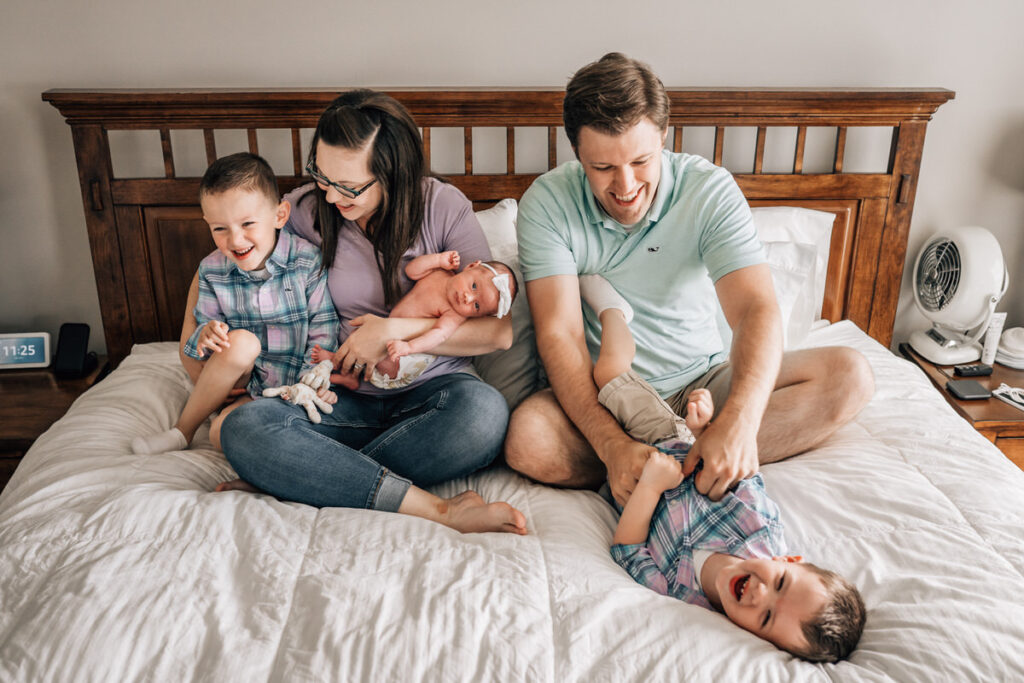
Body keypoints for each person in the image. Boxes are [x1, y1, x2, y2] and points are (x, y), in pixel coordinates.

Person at [505, 52, 875, 505]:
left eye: (641, 161)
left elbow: (755, 308)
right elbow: (560, 335)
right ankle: (668, 464)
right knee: (528, 439)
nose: (625, 187)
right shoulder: (548, 203)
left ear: (664, 135)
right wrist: (611, 445)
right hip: (609, 399)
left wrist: (740, 421)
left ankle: (686, 462)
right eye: (603, 168)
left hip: (706, 384)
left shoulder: (708, 190)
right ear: (578, 152)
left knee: (850, 376)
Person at [200, 90, 523, 535]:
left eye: (349, 186)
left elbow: (497, 333)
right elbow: (222, 261)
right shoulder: (308, 210)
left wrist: (391, 329)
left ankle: (305, 478)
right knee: (245, 427)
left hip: (434, 396)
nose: (330, 195)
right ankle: (436, 509)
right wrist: (206, 357)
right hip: (340, 396)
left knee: (484, 416)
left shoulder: (444, 207)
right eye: (322, 175)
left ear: (394, 173)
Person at [584, 276, 865, 662]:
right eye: (780, 582)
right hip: (666, 435)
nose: (758, 594)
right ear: (789, 561)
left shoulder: (682, 596)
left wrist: (649, 488)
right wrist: (703, 430)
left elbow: (629, 551)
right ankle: (613, 312)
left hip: (625, 481)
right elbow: (723, 463)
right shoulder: (756, 522)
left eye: (766, 617)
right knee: (609, 374)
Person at [131, 152, 339, 455]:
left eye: (247, 224)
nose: (236, 240)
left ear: (280, 215)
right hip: (245, 386)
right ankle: (183, 431)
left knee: (235, 436)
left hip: (297, 386)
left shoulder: (307, 262)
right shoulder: (212, 270)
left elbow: (324, 332)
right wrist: (204, 336)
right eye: (220, 229)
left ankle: (264, 474)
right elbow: (197, 336)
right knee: (238, 354)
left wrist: (310, 383)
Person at [310, 252, 518, 390]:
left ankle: (341, 367)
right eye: (473, 286)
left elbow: (438, 336)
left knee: (383, 355)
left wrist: (408, 347)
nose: (468, 298)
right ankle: (351, 376)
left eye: (477, 306)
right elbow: (412, 270)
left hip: (409, 357)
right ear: (471, 266)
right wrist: (438, 260)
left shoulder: (454, 314)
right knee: (363, 335)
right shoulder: (440, 272)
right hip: (388, 328)